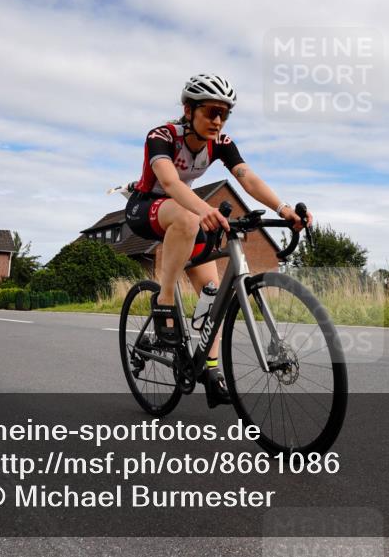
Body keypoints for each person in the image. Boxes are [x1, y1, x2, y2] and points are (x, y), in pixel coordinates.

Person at [125, 73, 313, 407]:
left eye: (224, 114)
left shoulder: (221, 143)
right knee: (187, 216)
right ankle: (164, 300)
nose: (218, 120)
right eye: (211, 112)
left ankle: (210, 370)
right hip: (145, 208)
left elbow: (247, 178)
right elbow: (169, 183)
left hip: (184, 214)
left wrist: (283, 209)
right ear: (188, 110)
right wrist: (203, 209)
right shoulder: (161, 136)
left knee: (214, 299)